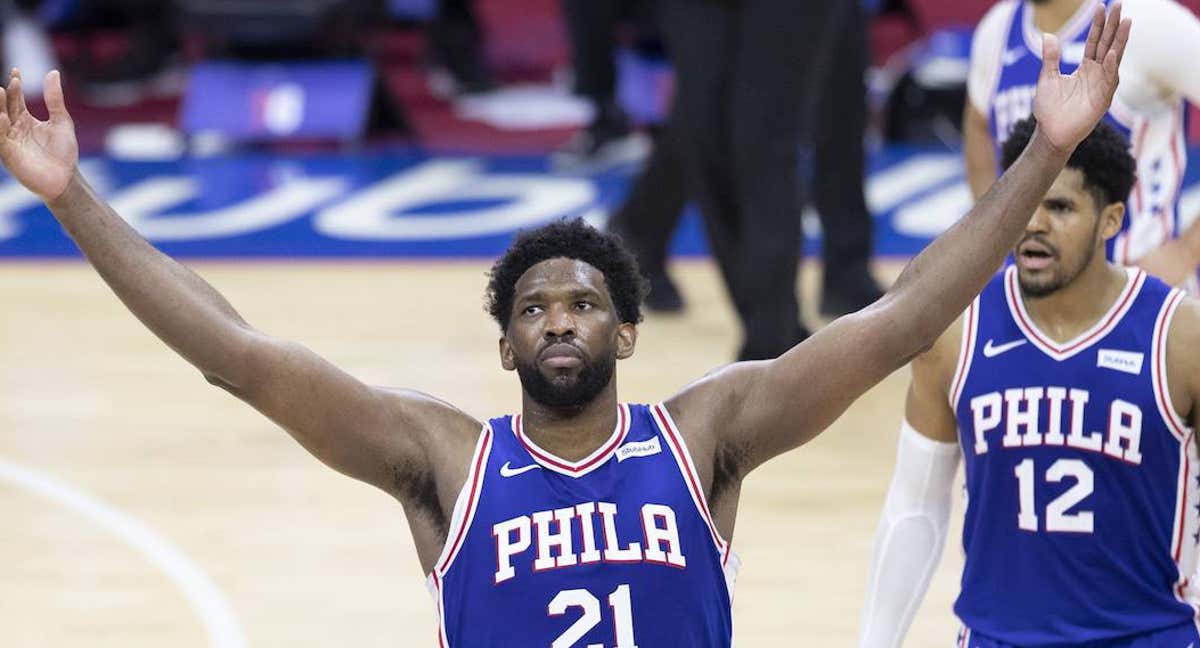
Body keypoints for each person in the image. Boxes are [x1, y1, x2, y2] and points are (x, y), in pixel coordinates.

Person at [0, 3, 1127, 642]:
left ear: (626, 333)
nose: (560, 319)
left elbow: (895, 321)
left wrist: (1044, 155)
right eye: (535, 307)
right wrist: (71, 198)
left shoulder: (703, 436)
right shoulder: (441, 457)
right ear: (504, 347)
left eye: (585, 301)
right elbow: (237, 357)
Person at [858, 114, 1200, 647]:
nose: (1032, 223)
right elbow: (915, 506)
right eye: (1024, 203)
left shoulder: (1178, 338)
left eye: (1059, 207)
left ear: (1110, 221)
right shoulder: (957, 332)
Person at [964, 0, 1200, 292]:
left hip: (1138, 292)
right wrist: (990, 241)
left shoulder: (1146, 19)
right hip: (1032, 295)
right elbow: (978, 124)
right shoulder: (996, 29)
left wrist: (1185, 252)